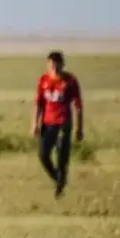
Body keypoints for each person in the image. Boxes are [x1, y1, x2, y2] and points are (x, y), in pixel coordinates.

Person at [32, 50, 84, 197]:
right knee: (43, 155)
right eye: (51, 65)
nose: (54, 68)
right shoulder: (43, 80)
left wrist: (79, 128)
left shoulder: (70, 81)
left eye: (57, 65)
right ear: (48, 65)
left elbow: (78, 106)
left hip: (63, 122)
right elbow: (38, 103)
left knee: (62, 155)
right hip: (47, 123)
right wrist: (34, 124)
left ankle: (60, 187)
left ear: (62, 64)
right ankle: (58, 179)